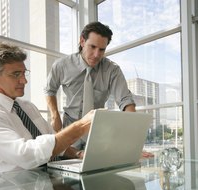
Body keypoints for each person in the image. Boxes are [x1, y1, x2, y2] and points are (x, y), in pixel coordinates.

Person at [0, 42, 94, 173]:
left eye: (24, 73)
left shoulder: (27, 107)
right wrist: (80, 127)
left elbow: (54, 141)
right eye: (16, 74)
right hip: (19, 188)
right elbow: (25, 155)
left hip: (52, 179)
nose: (24, 81)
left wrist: (78, 154)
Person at [45, 21, 136, 149]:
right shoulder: (61, 65)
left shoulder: (112, 70)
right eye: (92, 47)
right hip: (70, 126)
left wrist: (132, 133)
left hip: (98, 129)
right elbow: (50, 90)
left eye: (102, 49)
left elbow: (125, 100)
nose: (96, 54)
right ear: (82, 41)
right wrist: (55, 116)